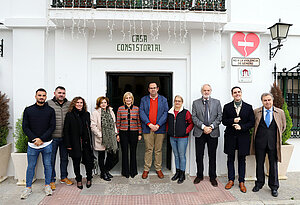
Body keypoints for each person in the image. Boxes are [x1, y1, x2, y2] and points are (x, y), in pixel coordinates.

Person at [21, 88, 56, 199]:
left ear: (46, 97)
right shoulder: (28, 110)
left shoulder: (50, 110)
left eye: (44, 95)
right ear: (35, 96)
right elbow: (25, 127)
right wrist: (34, 139)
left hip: (47, 144)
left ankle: (47, 186)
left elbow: (52, 127)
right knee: (31, 166)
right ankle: (28, 188)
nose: (41, 97)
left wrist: (41, 139)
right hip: (32, 145)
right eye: (39, 95)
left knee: (48, 165)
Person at [250, 93, 286, 197]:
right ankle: (259, 184)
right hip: (259, 143)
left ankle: (274, 187)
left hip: (273, 143)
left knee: (273, 166)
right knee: (259, 164)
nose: (267, 102)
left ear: (272, 100)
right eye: (265, 100)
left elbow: (283, 127)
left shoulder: (280, 112)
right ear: (262, 101)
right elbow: (253, 125)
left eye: (269, 100)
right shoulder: (256, 112)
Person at [222, 86, 255, 193]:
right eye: (235, 92)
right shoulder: (227, 107)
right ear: (232, 94)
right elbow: (223, 121)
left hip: (243, 138)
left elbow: (252, 122)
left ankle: (241, 181)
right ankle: (231, 180)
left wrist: (242, 127)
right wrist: (233, 120)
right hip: (230, 137)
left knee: (242, 160)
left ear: (241, 93)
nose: (237, 94)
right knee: (230, 159)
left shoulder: (248, 107)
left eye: (239, 92)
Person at [192, 84, 222, 187]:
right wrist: (203, 127)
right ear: (201, 91)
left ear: (211, 91)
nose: (206, 92)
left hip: (213, 132)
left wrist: (211, 127)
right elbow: (194, 117)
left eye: (208, 90)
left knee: (212, 156)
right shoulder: (195, 103)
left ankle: (212, 177)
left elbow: (219, 116)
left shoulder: (217, 102)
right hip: (200, 132)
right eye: (204, 90)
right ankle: (199, 175)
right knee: (199, 155)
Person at [63, 97, 94, 189]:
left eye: (81, 102)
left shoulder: (87, 114)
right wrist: (68, 144)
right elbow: (66, 131)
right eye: (78, 102)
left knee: (88, 162)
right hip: (74, 143)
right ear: (74, 104)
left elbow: (89, 128)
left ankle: (89, 178)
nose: (79, 104)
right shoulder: (69, 115)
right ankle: (79, 179)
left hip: (86, 143)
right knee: (76, 162)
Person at [140, 82, 168, 179]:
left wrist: (158, 124)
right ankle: (146, 169)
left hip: (159, 128)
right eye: (151, 88)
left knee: (158, 150)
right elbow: (141, 112)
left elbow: (165, 113)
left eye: (154, 88)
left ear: (157, 89)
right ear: (148, 89)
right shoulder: (144, 100)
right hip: (148, 128)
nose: (153, 89)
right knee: (148, 149)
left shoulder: (163, 100)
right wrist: (149, 124)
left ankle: (158, 168)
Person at [47, 86, 73, 190]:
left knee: (64, 158)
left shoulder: (69, 104)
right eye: (59, 93)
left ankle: (63, 177)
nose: (61, 95)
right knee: (51, 159)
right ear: (55, 93)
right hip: (52, 137)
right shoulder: (48, 103)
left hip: (65, 137)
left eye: (63, 93)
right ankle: (52, 180)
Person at [167, 95, 194, 184]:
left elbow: (191, 123)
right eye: (175, 101)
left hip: (182, 138)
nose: (177, 102)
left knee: (182, 156)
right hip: (172, 138)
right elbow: (167, 124)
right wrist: (169, 131)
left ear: (182, 102)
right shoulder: (170, 112)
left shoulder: (186, 112)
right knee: (176, 155)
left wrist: (186, 131)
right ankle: (177, 173)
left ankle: (182, 174)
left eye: (179, 101)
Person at [91, 96, 118, 181]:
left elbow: (114, 123)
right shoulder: (95, 113)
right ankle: (103, 173)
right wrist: (101, 135)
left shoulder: (111, 111)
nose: (103, 104)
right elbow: (93, 126)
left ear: (107, 103)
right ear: (99, 104)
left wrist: (115, 133)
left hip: (111, 138)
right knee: (101, 156)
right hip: (101, 139)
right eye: (101, 102)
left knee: (113, 155)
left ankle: (106, 170)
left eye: (105, 102)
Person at [116, 92, 142, 178]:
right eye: (126, 98)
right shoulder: (120, 109)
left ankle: (133, 171)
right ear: (124, 99)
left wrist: (140, 133)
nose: (128, 99)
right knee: (124, 152)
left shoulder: (136, 109)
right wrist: (117, 134)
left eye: (129, 98)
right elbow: (118, 122)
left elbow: (139, 122)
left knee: (133, 152)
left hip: (134, 132)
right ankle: (125, 172)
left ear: (132, 99)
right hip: (123, 133)